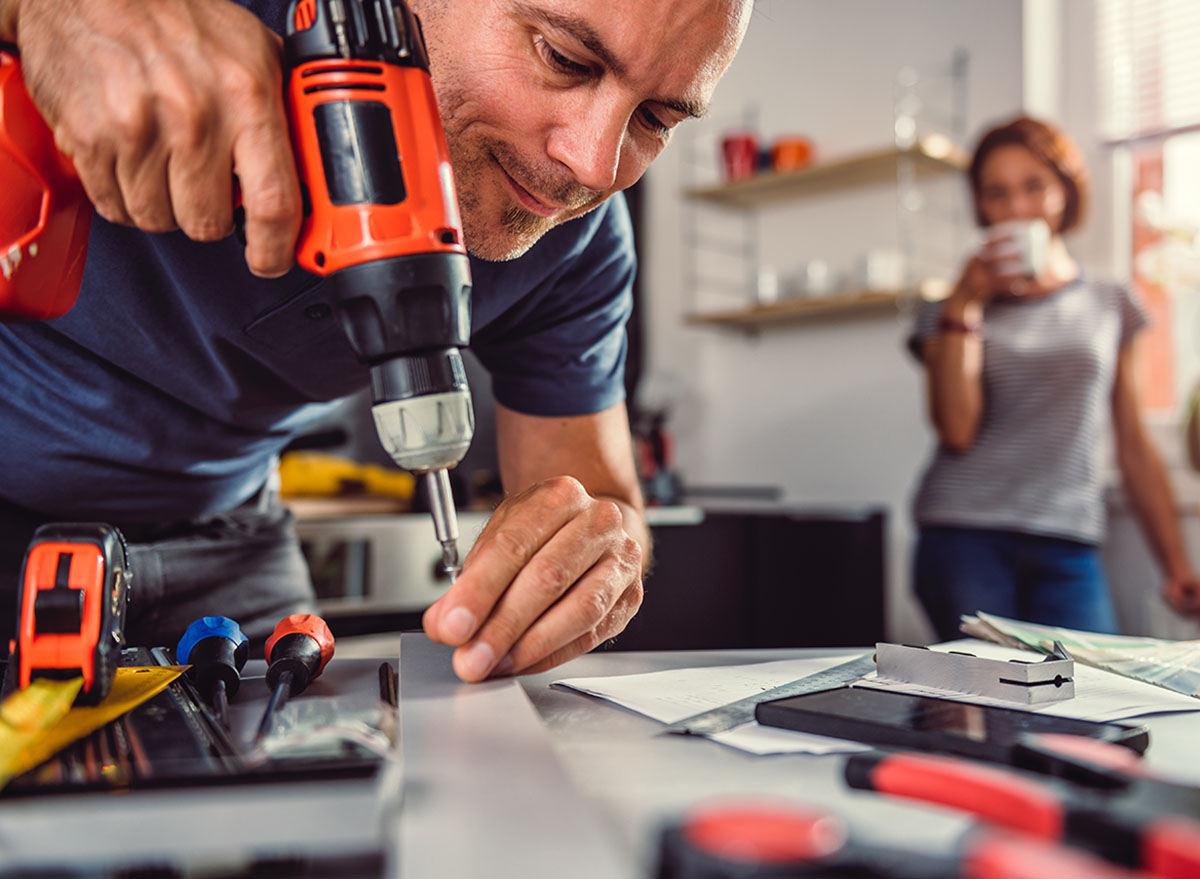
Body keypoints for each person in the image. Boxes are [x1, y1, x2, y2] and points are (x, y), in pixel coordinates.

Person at [0, 0, 752, 681]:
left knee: (310, 782)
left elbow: (595, 494)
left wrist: (597, 554)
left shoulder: (576, 243)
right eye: (563, 59)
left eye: (654, 117)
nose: (591, 163)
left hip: (229, 524)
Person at [908, 115, 1200, 641]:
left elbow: (1133, 444)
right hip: (963, 534)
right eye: (997, 193)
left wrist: (1176, 565)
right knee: (984, 712)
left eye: (1034, 186)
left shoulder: (1110, 303)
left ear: (1065, 191)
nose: (1016, 208)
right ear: (981, 206)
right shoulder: (947, 308)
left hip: (1069, 540)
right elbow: (956, 429)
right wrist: (965, 302)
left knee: (1086, 704)